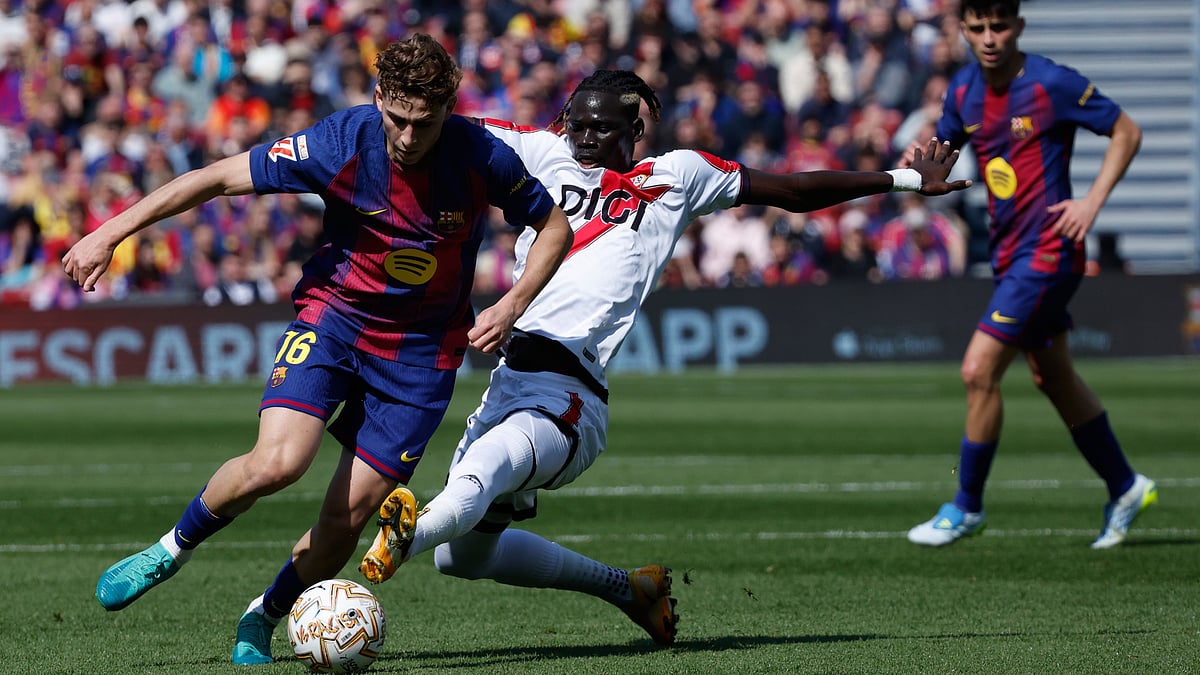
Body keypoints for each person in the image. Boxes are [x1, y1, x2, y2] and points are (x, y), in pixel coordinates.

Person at [352, 69, 970, 646]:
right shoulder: (534, 151)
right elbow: (428, 125)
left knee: (482, 470)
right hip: (509, 377)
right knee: (463, 557)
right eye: (576, 123)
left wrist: (906, 180)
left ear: (635, 132)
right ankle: (631, 590)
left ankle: (401, 537)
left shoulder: (677, 175)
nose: (584, 138)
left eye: (602, 128)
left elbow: (791, 189)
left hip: (570, 390)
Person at [61, 34, 572, 665]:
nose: (409, 137)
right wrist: (109, 233)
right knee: (279, 462)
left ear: (449, 109)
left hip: (420, 357)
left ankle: (264, 616)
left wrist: (511, 303)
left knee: (345, 521)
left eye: (426, 122)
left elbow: (554, 226)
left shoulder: (481, 156)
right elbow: (217, 178)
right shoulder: (338, 142)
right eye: (398, 119)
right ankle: (170, 550)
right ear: (379, 98)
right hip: (334, 321)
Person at [900, 0, 1153, 549]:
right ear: (962, 30)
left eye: (999, 25)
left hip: (1050, 251)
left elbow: (1127, 132)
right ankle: (1126, 486)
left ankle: (966, 505)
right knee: (1052, 375)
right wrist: (915, 171)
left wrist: (1092, 203)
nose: (989, 37)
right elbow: (942, 155)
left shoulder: (1051, 84)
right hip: (1011, 256)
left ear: (1018, 26)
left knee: (977, 371)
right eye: (977, 27)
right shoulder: (964, 90)